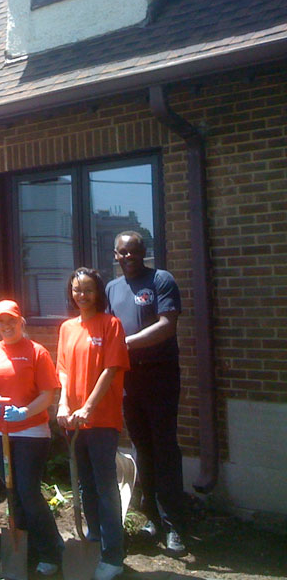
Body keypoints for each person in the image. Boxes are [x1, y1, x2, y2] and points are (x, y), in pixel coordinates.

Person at [106, 230, 186, 553]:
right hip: (129, 381)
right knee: (142, 450)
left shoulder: (161, 281)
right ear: (115, 255)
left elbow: (167, 325)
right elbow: (107, 329)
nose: (128, 257)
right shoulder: (112, 289)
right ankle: (152, 518)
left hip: (161, 378)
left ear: (144, 252)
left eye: (134, 251)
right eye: (123, 253)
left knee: (165, 449)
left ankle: (174, 526)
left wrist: (124, 344)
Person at [0, 299, 64, 576]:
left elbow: (48, 394)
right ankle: (25, 549)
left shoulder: (36, 352)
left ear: (21, 322)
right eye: (1, 321)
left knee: (27, 491)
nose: (6, 325)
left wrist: (24, 412)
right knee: (12, 493)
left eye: (11, 320)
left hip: (31, 433)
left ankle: (52, 549)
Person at [56, 267, 129, 580]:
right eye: (76, 289)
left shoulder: (111, 325)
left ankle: (114, 556)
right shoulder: (67, 328)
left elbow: (111, 369)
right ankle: (95, 537)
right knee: (85, 484)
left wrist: (89, 406)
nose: (81, 295)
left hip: (101, 419)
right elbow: (63, 371)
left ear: (98, 292)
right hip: (74, 419)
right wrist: (63, 404)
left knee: (104, 486)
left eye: (87, 289)